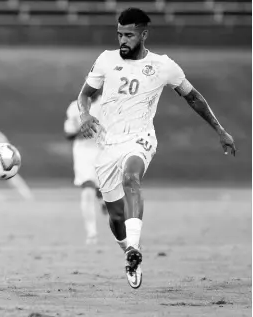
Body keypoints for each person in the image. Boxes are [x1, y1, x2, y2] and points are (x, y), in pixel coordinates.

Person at [77, 8, 236, 289]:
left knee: (131, 178)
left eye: (129, 35)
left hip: (141, 139)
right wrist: (85, 114)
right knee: (115, 217)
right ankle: (129, 251)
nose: (122, 40)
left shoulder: (163, 66)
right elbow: (85, 95)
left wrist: (219, 129)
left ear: (143, 35)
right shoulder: (105, 59)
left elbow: (194, 97)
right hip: (108, 144)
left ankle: (135, 246)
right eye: (119, 34)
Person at [64, 91, 107, 245]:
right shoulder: (74, 107)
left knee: (106, 189)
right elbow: (68, 134)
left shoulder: (108, 103)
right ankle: (91, 233)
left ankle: (103, 199)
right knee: (87, 188)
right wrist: (82, 129)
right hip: (83, 151)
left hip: (104, 148)